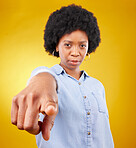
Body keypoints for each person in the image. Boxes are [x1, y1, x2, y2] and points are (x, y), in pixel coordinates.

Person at [11, 4, 114, 148]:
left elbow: (105, 134)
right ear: (56, 46)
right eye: (68, 45)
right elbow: (42, 76)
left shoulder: (97, 86)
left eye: (82, 46)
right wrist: (42, 79)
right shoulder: (50, 77)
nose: (75, 52)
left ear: (89, 46)